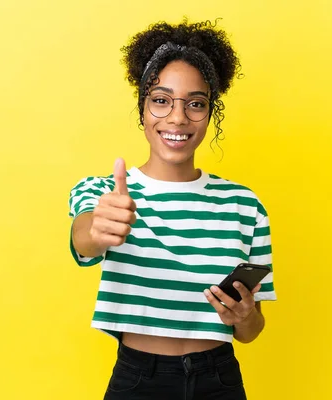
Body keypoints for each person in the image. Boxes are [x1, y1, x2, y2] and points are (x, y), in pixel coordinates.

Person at [68, 19, 276, 400]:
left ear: (210, 112)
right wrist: (99, 229)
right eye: (161, 100)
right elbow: (84, 239)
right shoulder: (105, 193)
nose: (178, 118)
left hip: (219, 378)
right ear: (143, 109)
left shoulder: (246, 206)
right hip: (138, 379)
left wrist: (245, 317)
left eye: (195, 104)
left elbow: (251, 331)